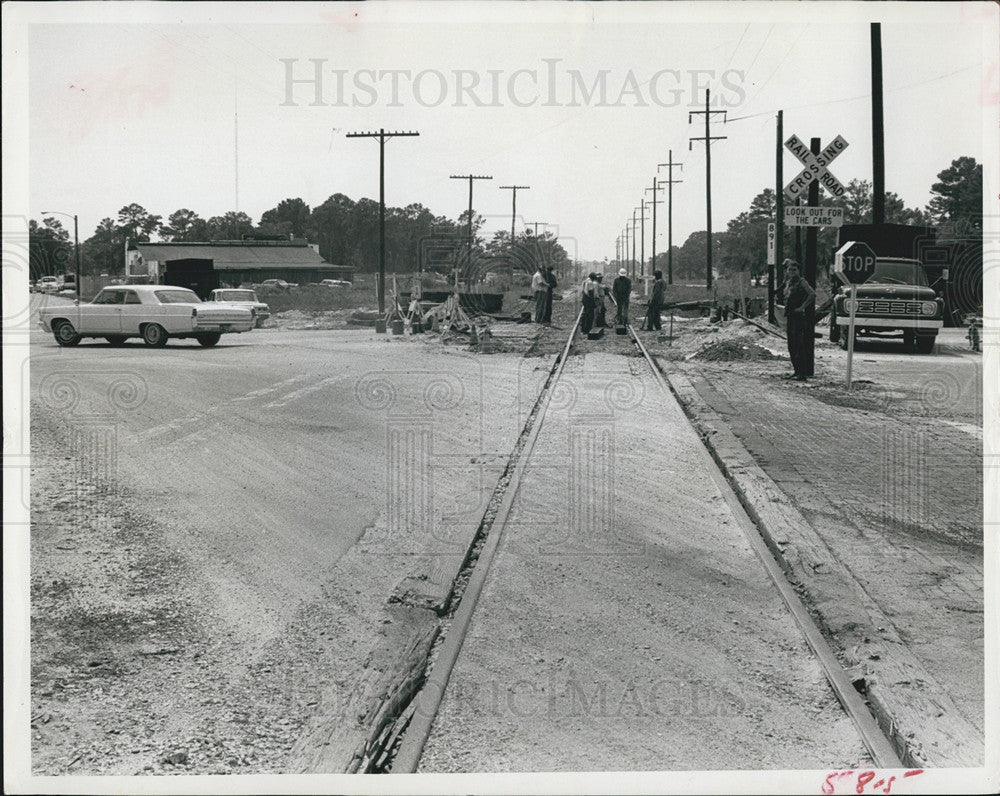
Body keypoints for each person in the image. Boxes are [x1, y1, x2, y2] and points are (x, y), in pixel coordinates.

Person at [781, 259, 816, 380]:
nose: (791, 272)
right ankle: (796, 371)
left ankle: (802, 373)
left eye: (794, 270)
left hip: (798, 317)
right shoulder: (788, 282)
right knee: (791, 345)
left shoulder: (802, 282)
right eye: (789, 269)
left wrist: (802, 307)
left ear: (799, 271)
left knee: (798, 344)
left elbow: (812, 294)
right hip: (790, 315)